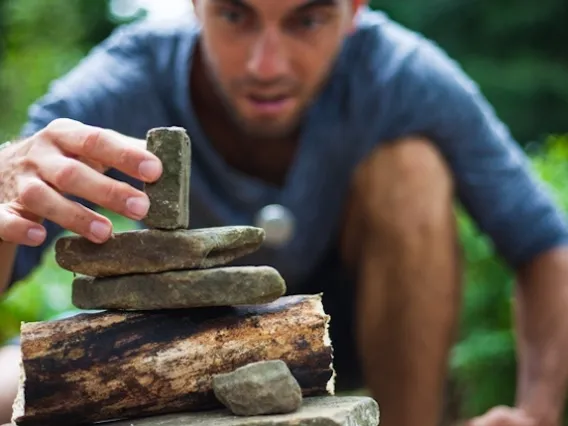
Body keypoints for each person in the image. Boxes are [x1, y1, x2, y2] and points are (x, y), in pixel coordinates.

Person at [1, 0, 568, 425]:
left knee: (411, 170)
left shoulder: (401, 74)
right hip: (183, 346)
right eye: (235, 15)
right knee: (10, 386)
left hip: (366, 340)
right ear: (197, 6)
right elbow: (15, 238)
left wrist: (538, 410)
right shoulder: (127, 77)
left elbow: (543, 241)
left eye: (307, 20)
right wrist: (5, 185)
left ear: (354, 11)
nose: (264, 64)